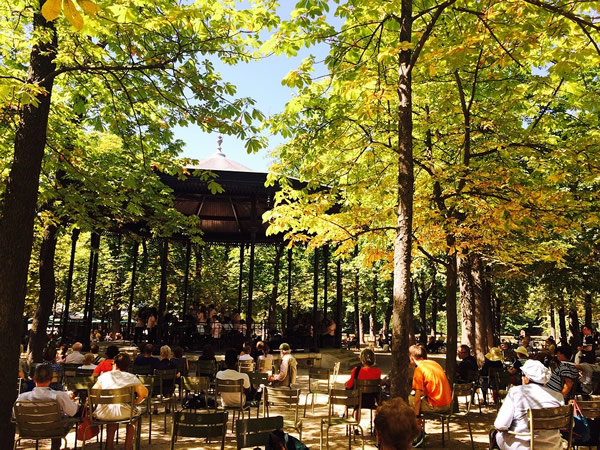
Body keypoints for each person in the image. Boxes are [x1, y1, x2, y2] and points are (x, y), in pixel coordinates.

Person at [491, 359, 563, 449]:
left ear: (527, 378)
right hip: (553, 446)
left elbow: (500, 425)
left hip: (522, 446)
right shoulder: (558, 396)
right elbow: (567, 425)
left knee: (494, 434)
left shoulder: (516, 392)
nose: (521, 377)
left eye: (522, 375)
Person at [14, 364, 78, 450]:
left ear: (34, 379)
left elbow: (14, 416)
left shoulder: (22, 398)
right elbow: (73, 411)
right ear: (51, 379)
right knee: (61, 421)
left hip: (28, 430)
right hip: (54, 430)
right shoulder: (59, 396)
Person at [93, 352, 148, 450]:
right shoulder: (131, 378)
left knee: (112, 416)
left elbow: (93, 394)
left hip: (104, 412)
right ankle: (128, 446)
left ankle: (109, 445)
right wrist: (136, 402)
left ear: (114, 363)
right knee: (132, 418)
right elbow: (144, 394)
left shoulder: (104, 377)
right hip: (125, 412)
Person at [408, 344, 452, 447]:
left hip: (436, 406)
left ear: (412, 357)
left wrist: (417, 416)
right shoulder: (434, 364)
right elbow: (432, 387)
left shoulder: (419, 370)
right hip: (448, 404)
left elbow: (417, 399)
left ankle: (417, 432)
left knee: (411, 399)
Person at [345, 348, 382, 419]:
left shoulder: (356, 370)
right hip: (371, 401)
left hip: (357, 401)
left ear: (362, 360)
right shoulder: (378, 372)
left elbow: (349, 385)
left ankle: (355, 424)